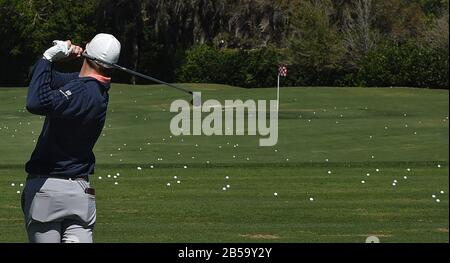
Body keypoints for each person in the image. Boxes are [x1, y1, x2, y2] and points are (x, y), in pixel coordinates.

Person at [22, 33, 121, 243]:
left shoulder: (81, 91)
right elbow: (37, 76)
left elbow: (35, 103)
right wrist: (54, 60)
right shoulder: (94, 90)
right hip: (79, 193)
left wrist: (49, 56)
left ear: (88, 51)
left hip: (47, 189)